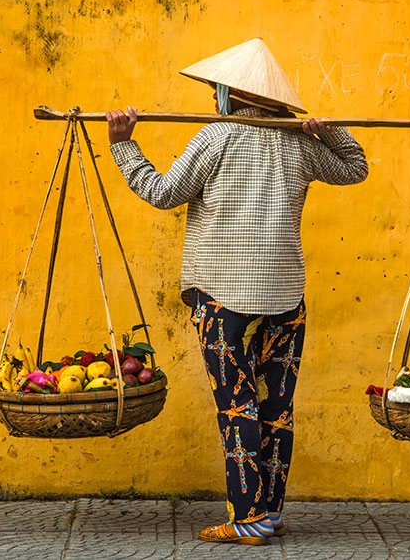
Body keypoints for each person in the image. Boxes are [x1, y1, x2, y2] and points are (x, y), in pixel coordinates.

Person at [105, 38, 368, 546]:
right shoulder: (299, 142)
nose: (213, 98)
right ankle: (267, 512)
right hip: (285, 298)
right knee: (276, 406)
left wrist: (123, 144)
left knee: (237, 405)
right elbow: (354, 166)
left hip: (223, 298)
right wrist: (329, 131)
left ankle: (247, 518)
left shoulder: (216, 136)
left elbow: (162, 193)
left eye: (216, 90)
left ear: (231, 94)